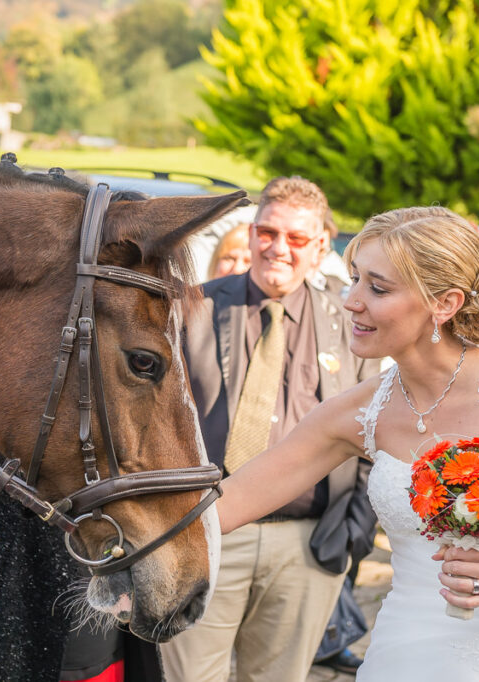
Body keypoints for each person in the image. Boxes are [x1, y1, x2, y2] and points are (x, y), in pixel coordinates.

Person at [214, 206, 479, 680]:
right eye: (354, 279)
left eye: (378, 287)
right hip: (400, 655)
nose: (352, 301)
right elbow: (224, 506)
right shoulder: (354, 412)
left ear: (445, 303)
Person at [159, 176, 378, 682]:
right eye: (267, 233)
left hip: (307, 544)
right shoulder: (193, 307)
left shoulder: (352, 318)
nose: (278, 249)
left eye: (297, 239)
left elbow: (373, 429)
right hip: (202, 534)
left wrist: (352, 531)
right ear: (251, 232)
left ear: (322, 243)